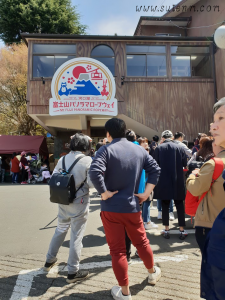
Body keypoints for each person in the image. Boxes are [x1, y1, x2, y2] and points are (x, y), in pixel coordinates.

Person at [89, 118, 161, 300]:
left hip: (111, 208)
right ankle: (152, 273)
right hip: (132, 206)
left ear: (108, 134)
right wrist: (146, 193)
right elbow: (155, 170)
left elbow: (94, 172)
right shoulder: (139, 150)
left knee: (118, 251)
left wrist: (104, 193)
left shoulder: (105, 150)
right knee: (142, 242)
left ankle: (125, 292)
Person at [187, 97, 225, 300]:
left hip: (209, 223)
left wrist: (190, 178)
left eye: (221, 118)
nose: (213, 125)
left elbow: (196, 188)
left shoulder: (212, 164)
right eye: (213, 120)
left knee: (212, 271)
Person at [44, 133, 94, 283]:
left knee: (60, 229)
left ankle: (49, 260)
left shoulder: (63, 158)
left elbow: (55, 177)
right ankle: (73, 271)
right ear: (86, 146)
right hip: (79, 203)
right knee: (76, 236)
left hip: (63, 201)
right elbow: (92, 184)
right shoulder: (87, 160)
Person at [154, 130, 188, 240]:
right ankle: (182, 230)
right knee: (179, 205)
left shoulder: (159, 148)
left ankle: (166, 229)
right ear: (172, 137)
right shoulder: (179, 147)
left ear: (162, 137)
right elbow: (184, 163)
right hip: (177, 179)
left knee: (165, 205)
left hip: (163, 180)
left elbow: (155, 164)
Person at [138, 137, 158, 230]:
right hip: (143, 179)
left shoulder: (147, 151)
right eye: (143, 142)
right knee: (147, 200)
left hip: (148, 178)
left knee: (148, 200)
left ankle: (146, 220)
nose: (146, 144)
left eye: (146, 142)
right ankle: (146, 221)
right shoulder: (139, 153)